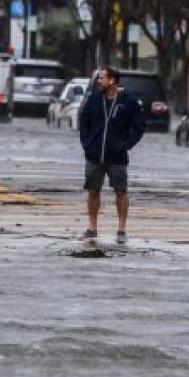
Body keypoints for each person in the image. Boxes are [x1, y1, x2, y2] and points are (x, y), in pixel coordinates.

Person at [78, 65, 146, 245]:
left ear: (112, 80)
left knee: (121, 192)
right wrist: (87, 144)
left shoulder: (129, 102)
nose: (98, 81)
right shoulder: (93, 99)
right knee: (93, 191)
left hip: (117, 157)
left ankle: (122, 229)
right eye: (99, 78)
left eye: (102, 78)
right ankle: (92, 228)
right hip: (94, 155)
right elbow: (83, 123)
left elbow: (139, 127)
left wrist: (126, 145)